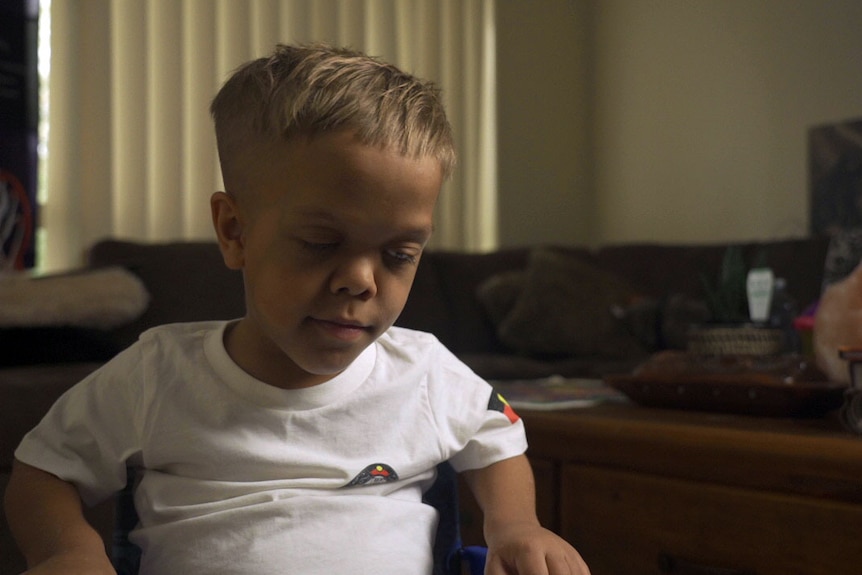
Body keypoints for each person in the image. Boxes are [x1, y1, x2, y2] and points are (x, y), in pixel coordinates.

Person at [4, 44, 590, 575]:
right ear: (235, 231)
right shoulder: (158, 373)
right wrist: (68, 551)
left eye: (399, 254)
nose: (361, 281)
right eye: (321, 243)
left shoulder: (424, 371)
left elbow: (497, 437)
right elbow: (44, 471)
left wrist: (515, 525)